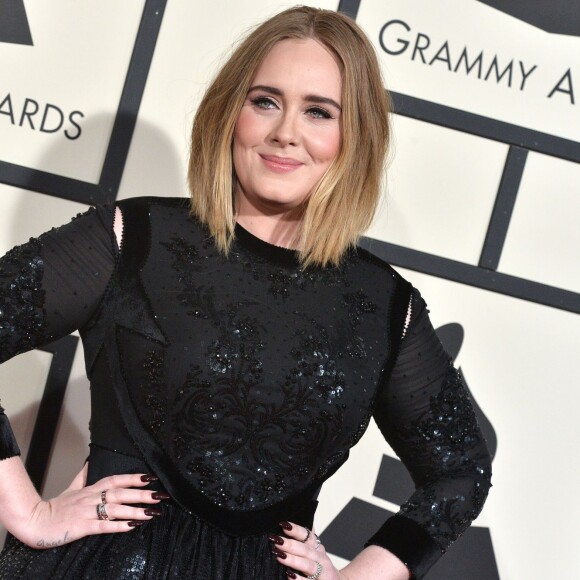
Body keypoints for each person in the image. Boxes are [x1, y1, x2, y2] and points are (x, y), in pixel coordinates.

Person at [0, 6, 492, 579]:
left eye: (318, 111)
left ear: (353, 136)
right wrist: (26, 511)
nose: (286, 131)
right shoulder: (134, 238)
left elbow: (461, 472)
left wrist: (358, 575)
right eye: (265, 101)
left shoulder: (384, 305)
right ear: (230, 112)